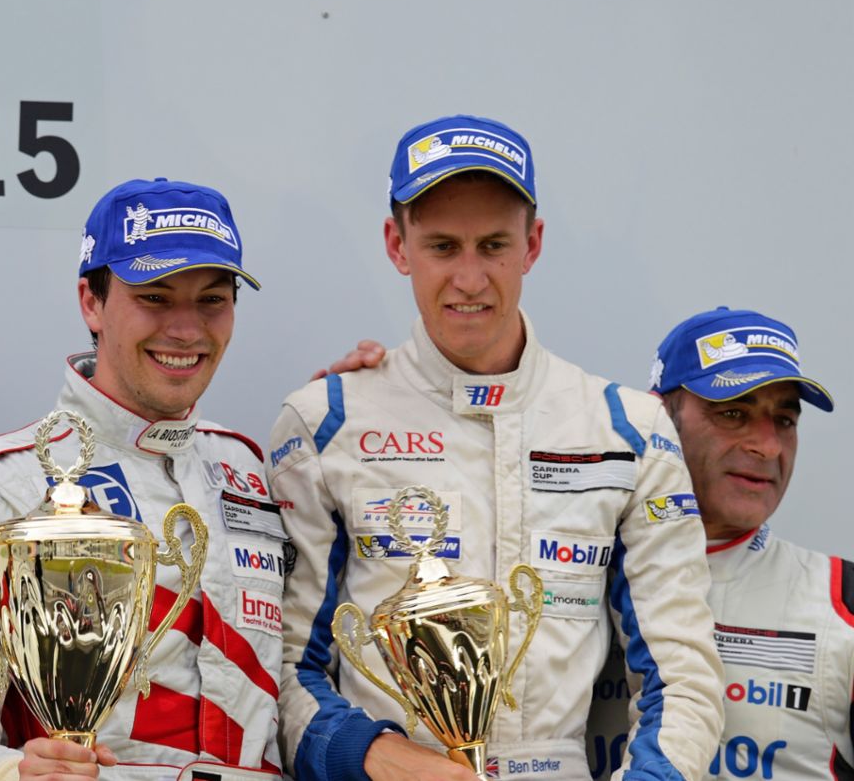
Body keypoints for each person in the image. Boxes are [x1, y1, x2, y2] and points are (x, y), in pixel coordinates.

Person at [271, 115, 724, 780]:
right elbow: (283, 667)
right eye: (443, 247)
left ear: (532, 244)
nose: (470, 278)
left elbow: (683, 676)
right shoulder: (326, 422)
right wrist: (377, 758)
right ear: (397, 246)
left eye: (493, 245)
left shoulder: (627, 428)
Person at [0, 178, 283, 781]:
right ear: (92, 301)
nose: (187, 330)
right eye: (156, 298)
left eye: (212, 300)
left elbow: (290, 692)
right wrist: (18, 775)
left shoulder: (248, 471)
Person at [589, 306, 851, 778]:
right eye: (733, 413)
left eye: (785, 421)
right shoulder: (571, 577)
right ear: (660, 416)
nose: (768, 446)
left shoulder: (842, 600)